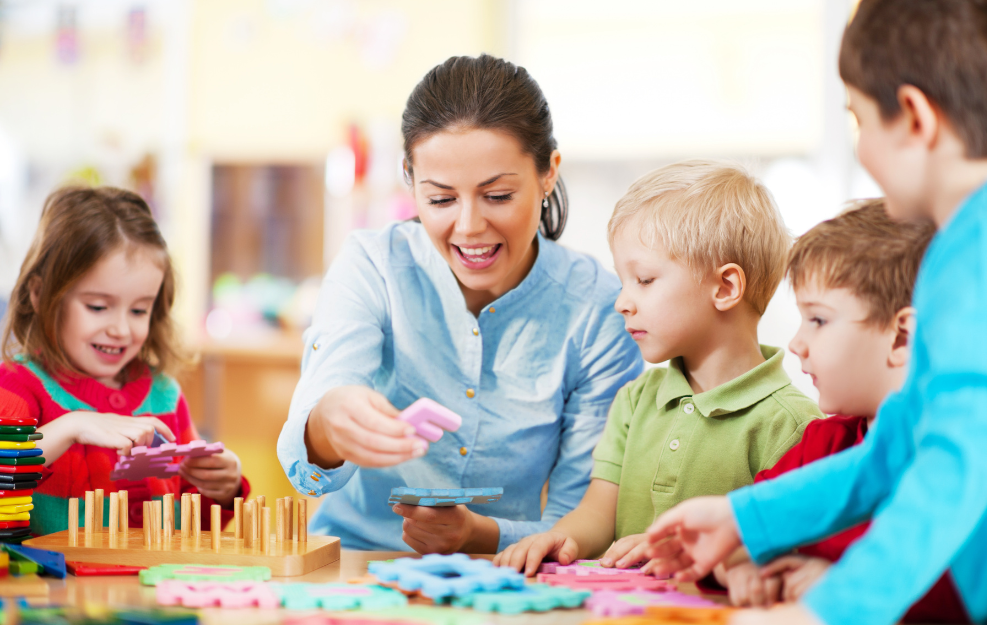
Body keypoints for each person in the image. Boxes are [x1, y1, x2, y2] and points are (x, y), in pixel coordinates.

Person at [644, 1, 987, 623]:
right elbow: (897, 448)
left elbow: (967, 456)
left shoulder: (984, 249)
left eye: (860, 120)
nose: (860, 150)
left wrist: (829, 611)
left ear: (914, 117)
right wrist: (743, 517)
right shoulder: (958, 247)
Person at [277, 54, 643, 554]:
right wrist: (328, 423)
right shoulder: (373, 266)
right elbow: (304, 462)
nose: (469, 227)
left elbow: (581, 518)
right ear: (410, 180)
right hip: (353, 563)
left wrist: (481, 535)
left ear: (548, 173)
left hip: (507, 573)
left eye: (497, 195)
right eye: (441, 200)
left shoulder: (597, 308)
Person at [493, 160, 823, 575]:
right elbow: (599, 514)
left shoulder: (793, 426)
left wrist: (681, 551)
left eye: (644, 280)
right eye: (623, 281)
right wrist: (563, 536)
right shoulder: (635, 400)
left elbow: (786, 551)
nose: (622, 302)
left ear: (725, 287)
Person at [715, 200, 967, 622]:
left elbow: (959, 587)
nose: (795, 343)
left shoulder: (957, 458)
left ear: (901, 336)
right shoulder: (821, 442)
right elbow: (734, 527)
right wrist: (741, 567)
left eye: (818, 320)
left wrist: (840, 584)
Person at [0, 186, 249, 534]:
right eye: (98, 307)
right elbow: (3, 476)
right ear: (40, 295)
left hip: (152, 586)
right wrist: (71, 426)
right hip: (58, 589)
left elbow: (197, 526)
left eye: (138, 310)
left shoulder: (165, 394)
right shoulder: (17, 385)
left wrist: (224, 488)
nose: (120, 329)